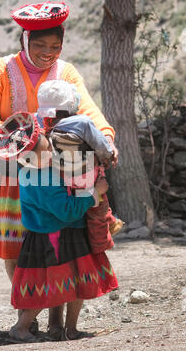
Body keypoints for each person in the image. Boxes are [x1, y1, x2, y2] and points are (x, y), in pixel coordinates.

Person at [0, 1, 118, 335]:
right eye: (40, 45)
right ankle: (30, 315)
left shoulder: (67, 73)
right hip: (10, 169)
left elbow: (88, 111)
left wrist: (106, 138)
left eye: (55, 46)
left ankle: (51, 319)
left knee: (56, 243)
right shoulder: (0, 70)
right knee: (20, 246)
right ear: (24, 40)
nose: (48, 53)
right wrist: (18, 141)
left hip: (57, 173)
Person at [0, 112, 119, 342]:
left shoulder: (49, 164)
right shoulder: (39, 178)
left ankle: (68, 329)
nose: (39, 155)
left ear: (45, 138)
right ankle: (21, 328)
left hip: (67, 231)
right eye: (30, 155)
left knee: (77, 280)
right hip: (51, 236)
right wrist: (94, 194)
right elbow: (66, 209)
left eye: (41, 148)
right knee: (49, 286)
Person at [36, 79, 124, 255]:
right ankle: (100, 244)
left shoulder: (42, 126)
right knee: (98, 208)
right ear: (71, 103)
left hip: (64, 181)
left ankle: (111, 221)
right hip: (88, 177)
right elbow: (101, 146)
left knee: (88, 206)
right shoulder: (82, 122)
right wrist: (108, 155)